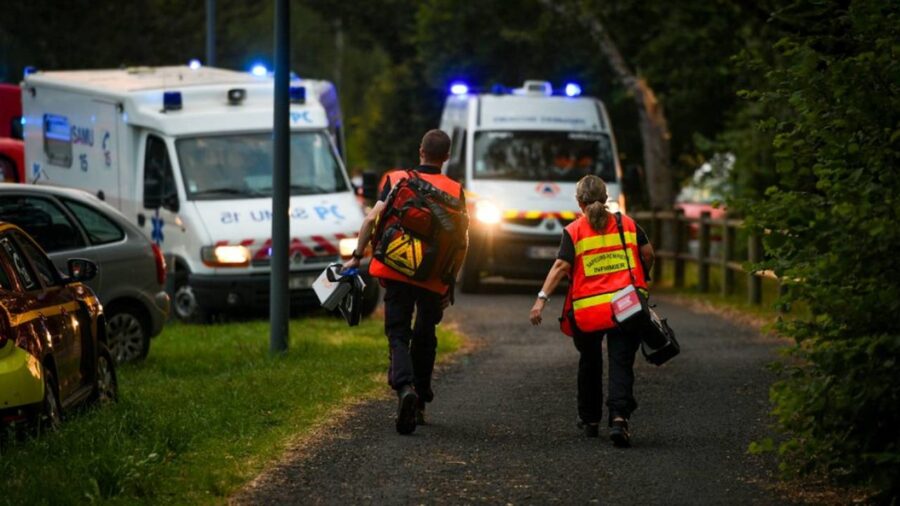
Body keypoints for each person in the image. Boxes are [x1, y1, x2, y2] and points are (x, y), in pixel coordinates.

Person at [342, 129, 466, 435]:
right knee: (425, 335)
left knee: (398, 334)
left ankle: (405, 387)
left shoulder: (397, 179)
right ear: (446, 157)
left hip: (397, 268)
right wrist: (450, 281)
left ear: (420, 151)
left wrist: (357, 256)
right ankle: (420, 400)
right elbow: (463, 242)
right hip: (433, 276)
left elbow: (372, 219)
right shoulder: (455, 191)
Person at [529, 175, 654, 448]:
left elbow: (561, 267)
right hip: (627, 307)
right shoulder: (627, 224)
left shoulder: (574, 231)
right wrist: (644, 277)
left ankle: (590, 420)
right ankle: (620, 419)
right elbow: (647, 253)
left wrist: (541, 300)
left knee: (590, 361)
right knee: (621, 360)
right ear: (606, 197)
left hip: (588, 312)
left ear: (578, 202)